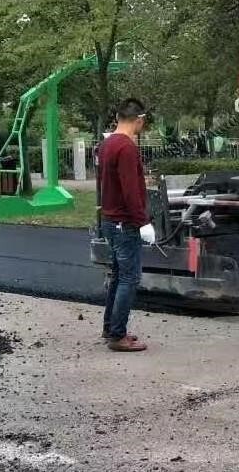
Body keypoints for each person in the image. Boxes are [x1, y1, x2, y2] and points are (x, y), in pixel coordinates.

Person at [98, 98, 155, 352]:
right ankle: (117, 335)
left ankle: (110, 327)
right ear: (139, 120)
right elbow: (130, 190)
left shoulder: (107, 144)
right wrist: (143, 222)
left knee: (118, 275)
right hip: (125, 223)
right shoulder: (127, 148)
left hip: (110, 220)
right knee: (129, 279)